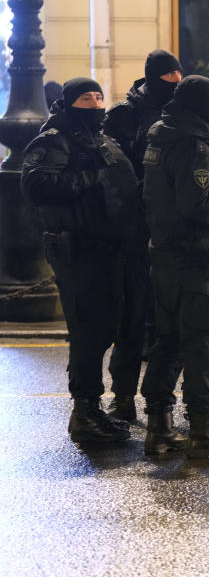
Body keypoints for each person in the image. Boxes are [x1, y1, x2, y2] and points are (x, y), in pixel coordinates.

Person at [20, 77, 142, 443]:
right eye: (86, 97)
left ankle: (97, 410)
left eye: (99, 96)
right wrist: (91, 177)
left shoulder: (103, 140)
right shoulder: (54, 140)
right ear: (69, 102)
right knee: (89, 333)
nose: (95, 102)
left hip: (112, 250)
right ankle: (84, 413)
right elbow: (36, 187)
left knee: (111, 329)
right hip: (80, 252)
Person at [140, 75, 209, 458]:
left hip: (165, 256)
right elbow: (201, 207)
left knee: (168, 342)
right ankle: (203, 432)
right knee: (204, 345)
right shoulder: (194, 145)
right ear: (202, 106)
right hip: (197, 258)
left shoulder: (163, 137)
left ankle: (159, 429)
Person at [103, 49, 183, 367]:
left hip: (173, 213)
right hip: (135, 214)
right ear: (153, 76)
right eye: (169, 76)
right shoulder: (123, 114)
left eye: (179, 75)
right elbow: (110, 163)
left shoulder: (183, 109)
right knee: (138, 288)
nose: (175, 81)